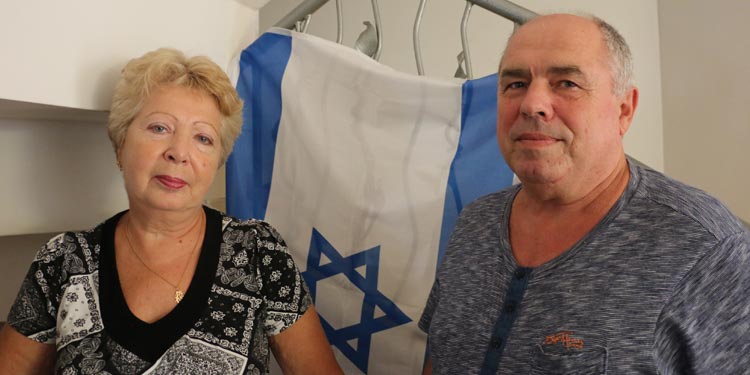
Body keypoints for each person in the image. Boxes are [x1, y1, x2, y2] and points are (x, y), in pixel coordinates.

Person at [419, 13, 750, 374]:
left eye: (566, 83)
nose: (532, 104)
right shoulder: (475, 223)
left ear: (624, 109)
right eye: (515, 84)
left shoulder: (708, 248)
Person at [0, 48, 343, 374]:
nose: (179, 152)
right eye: (159, 128)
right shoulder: (61, 260)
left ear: (216, 162)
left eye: (203, 138)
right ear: (121, 145)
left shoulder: (259, 251)